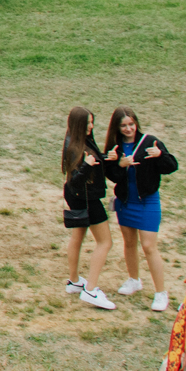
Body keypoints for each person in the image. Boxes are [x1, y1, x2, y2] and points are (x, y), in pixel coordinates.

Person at [102, 107, 178, 313]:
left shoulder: (150, 141)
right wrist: (120, 164)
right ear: (117, 127)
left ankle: (161, 292)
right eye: (124, 125)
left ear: (136, 123)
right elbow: (111, 175)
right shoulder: (115, 147)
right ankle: (134, 280)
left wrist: (160, 155)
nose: (128, 129)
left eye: (131, 124)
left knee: (149, 247)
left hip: (148, 202)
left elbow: (171, 166)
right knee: (129, 243)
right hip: (126, 202)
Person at [61, 106, 116, 309]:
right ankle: (91, 290)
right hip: (87, 198)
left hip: (78, 198)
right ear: (78, 125)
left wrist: (103, 159)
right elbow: (76, 179)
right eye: (87, 123)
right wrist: (88, 164)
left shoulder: (77, 141)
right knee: (105, 242)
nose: (91, 127)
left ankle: (74, 281)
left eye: (92, 122)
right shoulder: (76, 148)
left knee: (78, 237)